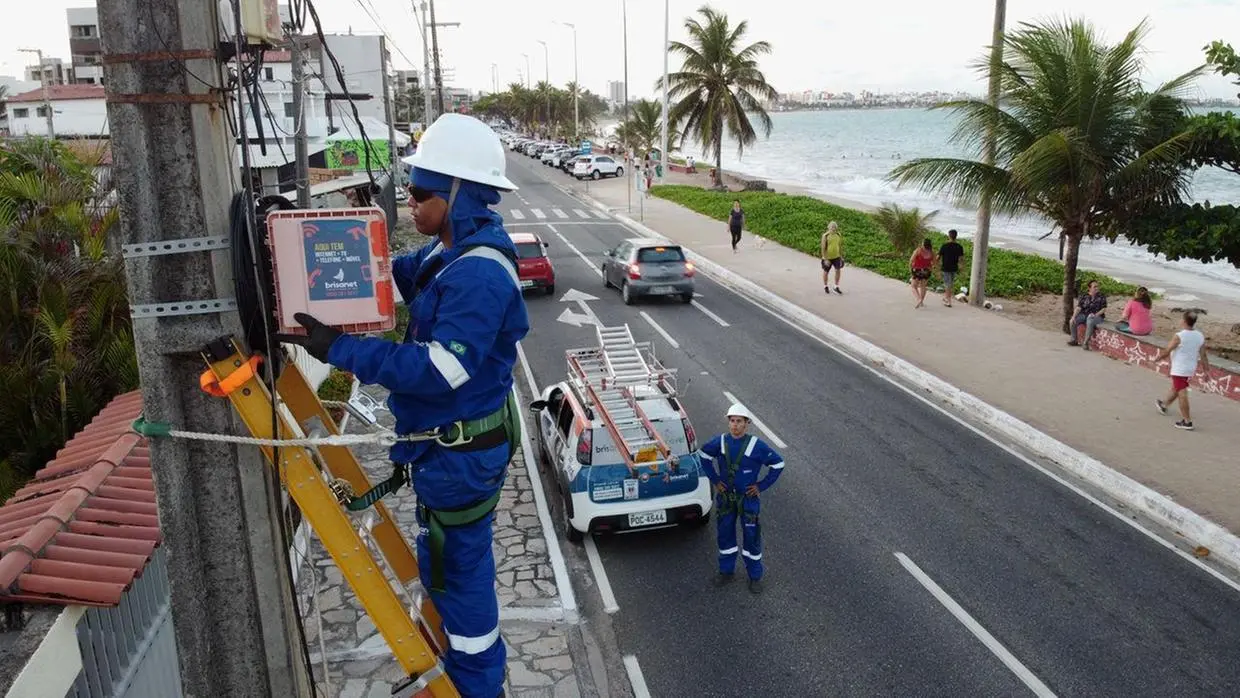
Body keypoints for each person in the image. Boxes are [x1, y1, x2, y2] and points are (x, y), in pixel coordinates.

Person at [277, 113, 527, 698]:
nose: (408, 202)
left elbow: (442, 368)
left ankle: (477, 683)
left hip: (462, 454)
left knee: (461, 575)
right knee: (443, 562)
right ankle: (463, 661)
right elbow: (386, 278)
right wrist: (308, 265)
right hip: (449, 449)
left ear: (459, 196)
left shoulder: (481, 275)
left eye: (419, 193)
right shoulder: (449, 254)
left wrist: (339, 348)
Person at [696, 404, 785, 595]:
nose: (735, 425)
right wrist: (715, 480)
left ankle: (755, 576)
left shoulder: (757, 446)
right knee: (725, 535)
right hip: (726, 499)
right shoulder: (720, 442)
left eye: (739, 421)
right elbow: (703, 456)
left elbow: (778, 464)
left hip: (748, 500)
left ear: (747, 424)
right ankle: (726, 571)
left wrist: (761, 486)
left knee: (751, 538)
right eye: (732, 421)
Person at [1155, 311, 1210, 431]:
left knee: (1182, 392)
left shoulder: (1180, 336)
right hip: (1190, 368)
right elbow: (1203, 355)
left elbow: (1168, 350)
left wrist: (1158, 358)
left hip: (1180, 368)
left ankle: (1187, 421)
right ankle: (1163, 405)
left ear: (1184, 321)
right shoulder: (1199, 336)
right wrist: (1206, 371)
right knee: (1176, 388)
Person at [1068, 280, 1107, 349]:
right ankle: (1074, 340)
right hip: (1084, 314)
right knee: (1072, 321)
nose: (1097, 288)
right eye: (1095, 287)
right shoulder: (1084, 296)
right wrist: (1073, 316)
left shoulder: (1102, 296)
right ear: (1089, 288)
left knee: (1090, 320)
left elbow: (1103, 309)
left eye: (1097, 286)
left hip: (1097, 316)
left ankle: (1085, 343)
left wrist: (1095, 315)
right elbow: (1079, 307)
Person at [938, 230, 965, 307]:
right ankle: (946, 297)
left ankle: (948, 301)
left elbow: (938, 257)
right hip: (954, 268)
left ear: (949, 236)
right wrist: (962, 269)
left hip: (946, 267)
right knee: (950, 284)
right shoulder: (959, 247)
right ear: (956, 236)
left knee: (947, 284)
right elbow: (961, 259)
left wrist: (935, 265)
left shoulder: (944, 246)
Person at [909, 238, 934, 308]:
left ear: (923, 244)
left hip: (917, 270)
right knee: (923, 286)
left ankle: (919, 299)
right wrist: (932, 269)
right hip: (926, 271)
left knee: (913, 286)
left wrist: (910, 267)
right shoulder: (932, 252)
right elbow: (934, 263)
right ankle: (922, 301)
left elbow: (911, 260)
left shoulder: (918, 250)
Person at [820, 221, 844, 294]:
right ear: (829, 227)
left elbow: (839, 246)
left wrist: (841, 256)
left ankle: (836, 287)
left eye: (834, 227)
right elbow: (823, 248)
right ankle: (825, 286)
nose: (833, 228)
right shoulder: (825, 236)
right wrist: (825, 258)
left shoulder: (838, 235)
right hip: (828, 258)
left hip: (836, 257)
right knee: (826, 272)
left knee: (838, 270)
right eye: (832, 227)